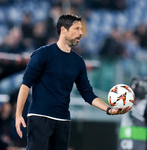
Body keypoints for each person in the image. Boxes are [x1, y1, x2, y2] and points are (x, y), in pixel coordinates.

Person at [15, 14, 132, 150]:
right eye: (77, 29)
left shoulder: (78, 62)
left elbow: (87, 93)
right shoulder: (42, 54)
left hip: (63, 121)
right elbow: (25, 84)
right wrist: (18, 115)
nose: (81, 33)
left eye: (81, 29)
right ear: (63, 30)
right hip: (40, 117)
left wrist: (109, 109)